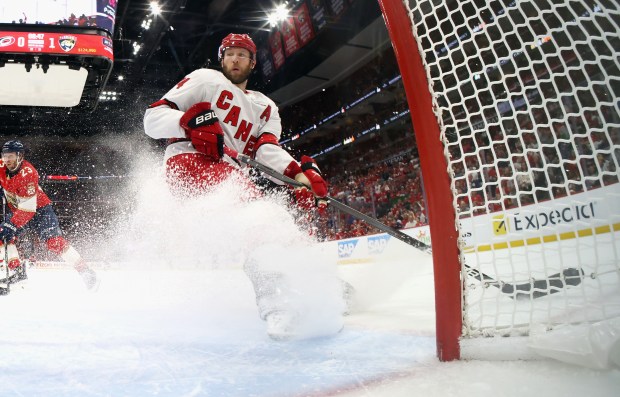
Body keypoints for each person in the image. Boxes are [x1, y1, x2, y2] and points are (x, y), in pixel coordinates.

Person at [144, 33, 341, 340]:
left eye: (242, 54)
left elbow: (265, 150)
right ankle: (277, 305)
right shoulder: (204, 79)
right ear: (222, 59)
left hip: (229, 172)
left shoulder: (265, 107)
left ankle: (324, 284)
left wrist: (298, 175)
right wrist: (190, 121)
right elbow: (152, 118)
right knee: (262, 217)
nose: (235, 59)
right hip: (189, 161)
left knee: (278, 222)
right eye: (229, 54)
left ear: (253, 62)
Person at [0, 140, 99, 290]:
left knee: (54, 242)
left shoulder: (29, 173)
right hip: (18, 209)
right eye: (5, 156)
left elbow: (28, 209)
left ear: (20, 156)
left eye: (11, 156)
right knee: (2, 235)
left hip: (39, 211)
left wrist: (12, 224)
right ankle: (18, 272)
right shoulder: (1, 165)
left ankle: (86, 272)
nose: (7, 160)